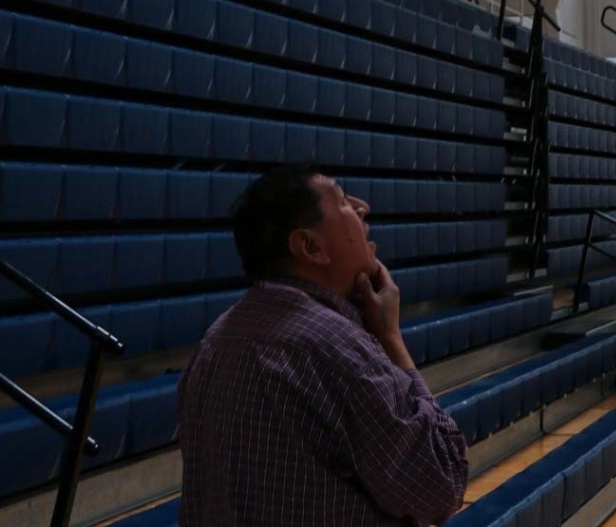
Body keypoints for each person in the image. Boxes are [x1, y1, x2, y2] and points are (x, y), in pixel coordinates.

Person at [177, 167, 468, 526]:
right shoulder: (338, 348)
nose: (363, 208)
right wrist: (391, 338)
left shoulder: (214, 343)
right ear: (311, 247)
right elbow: (440, 485)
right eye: (344, 201)